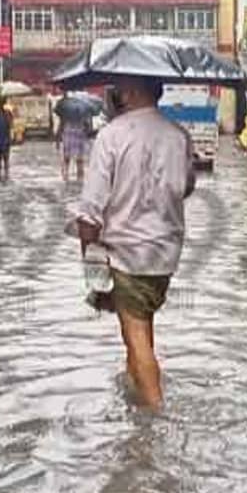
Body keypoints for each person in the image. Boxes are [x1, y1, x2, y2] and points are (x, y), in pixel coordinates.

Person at [72, 77, 196, 410]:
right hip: (166, 253)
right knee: (142, 324)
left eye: (120, 87)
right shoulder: (179, 136)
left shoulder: (111, 135)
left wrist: (91, 265)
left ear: (131, 91)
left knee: (136, 335)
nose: (116, 93)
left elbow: (89, 212)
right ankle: (136, 399)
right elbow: (186, 186)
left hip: (127, 253)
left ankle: (155, 420)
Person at [56, 108, 90, 182]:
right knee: (79, 159)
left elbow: (60, 126)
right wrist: (86, 132)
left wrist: (57, 140)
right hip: (79, 135)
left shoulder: (65, 112)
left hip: (68, 135)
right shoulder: (83, 112)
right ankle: (80, 176)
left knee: (67, 158)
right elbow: (87, 126)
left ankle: (65, 174)